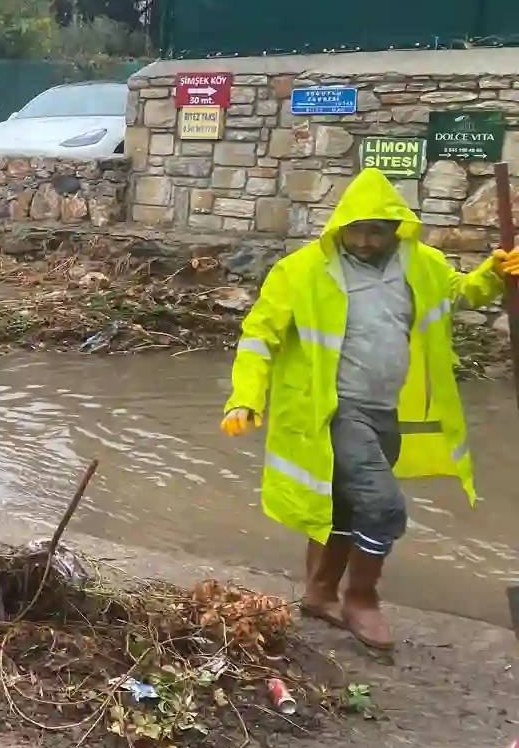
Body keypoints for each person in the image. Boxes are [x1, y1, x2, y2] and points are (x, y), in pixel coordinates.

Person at [221, 167, 519, 649]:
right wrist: (246, 397)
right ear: (338, 227)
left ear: (396, 228)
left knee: (343, 505)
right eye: (354, 230)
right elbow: (260, 336)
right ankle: (362, 599)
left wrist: (494, 273)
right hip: (334, 411)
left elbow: (459, 295)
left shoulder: (421, 264)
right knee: (382, 508)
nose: (362, 240)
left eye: (374, 231)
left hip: (385, 411)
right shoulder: (300, 272)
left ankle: (318, 595)